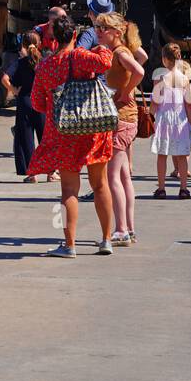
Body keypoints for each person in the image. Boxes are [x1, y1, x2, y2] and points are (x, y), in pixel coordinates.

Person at [26, 15, 115, 256]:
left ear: (54, 38)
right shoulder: (82, 57)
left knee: (68, 191)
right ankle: (106, 239)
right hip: (93, 129)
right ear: (75, 35)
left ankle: (70, 244)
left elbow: (37, 103)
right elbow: (105, 63)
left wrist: (56, 108)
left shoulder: (45, 65)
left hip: (64, 132)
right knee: (100, 185)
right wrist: (102, 46)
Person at [96, 13, 144, 246]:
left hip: (121, 119)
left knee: (112, 176)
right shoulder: (119, 51)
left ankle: (121, 229)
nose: (98, 31)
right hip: (127, 119)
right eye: (97, 26)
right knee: (124, 176)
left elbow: (140, 71)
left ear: (116, 32)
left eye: (103, 27)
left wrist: (125, 93)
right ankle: (129, 228)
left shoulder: (120, 52)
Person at [151, 42, 191, 197]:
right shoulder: (183, 79)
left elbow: (155, 101)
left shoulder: (160, 78)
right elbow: (190, 100)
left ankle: (161, 188)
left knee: (162, 154)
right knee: (182, 155)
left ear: (164, 59)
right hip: (180, 120)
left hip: (164, 119)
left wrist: (150, 116)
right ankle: (184, 188)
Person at [4, 31, 44, 181]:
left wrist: (14, 90)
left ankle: (32, 173)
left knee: (26, 138)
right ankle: (51, 172)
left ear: (23, 46)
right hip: (41, 101)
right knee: (45, 138)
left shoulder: (20, 62)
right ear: (39, 44)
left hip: (25, 100)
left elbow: (5, 78)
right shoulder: (44, 60)